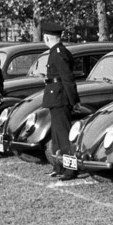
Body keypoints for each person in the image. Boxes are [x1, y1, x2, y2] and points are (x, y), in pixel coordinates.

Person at [40, 22, 81, 180]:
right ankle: (59, 165)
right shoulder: (56, 51)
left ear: (47, 37)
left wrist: (74, 100)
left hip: (60, 96)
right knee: (57, 135)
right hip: (55, 97)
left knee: (64, 136)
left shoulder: (58, 52)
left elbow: (67, 78)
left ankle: (70, 169)